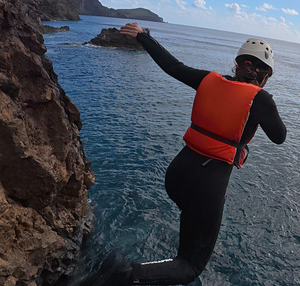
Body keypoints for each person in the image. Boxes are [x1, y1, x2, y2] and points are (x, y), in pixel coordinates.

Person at [80, 22, 287, 286]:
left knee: (193, 222)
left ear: (237, 64)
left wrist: (144, 37)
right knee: (190, 266)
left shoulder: (208, 80)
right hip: (207, 186)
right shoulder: (261, 99)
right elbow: (279, 137)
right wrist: (266, 103)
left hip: (177, 176)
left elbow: (173, 66)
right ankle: (123, 272)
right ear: (265, 74)